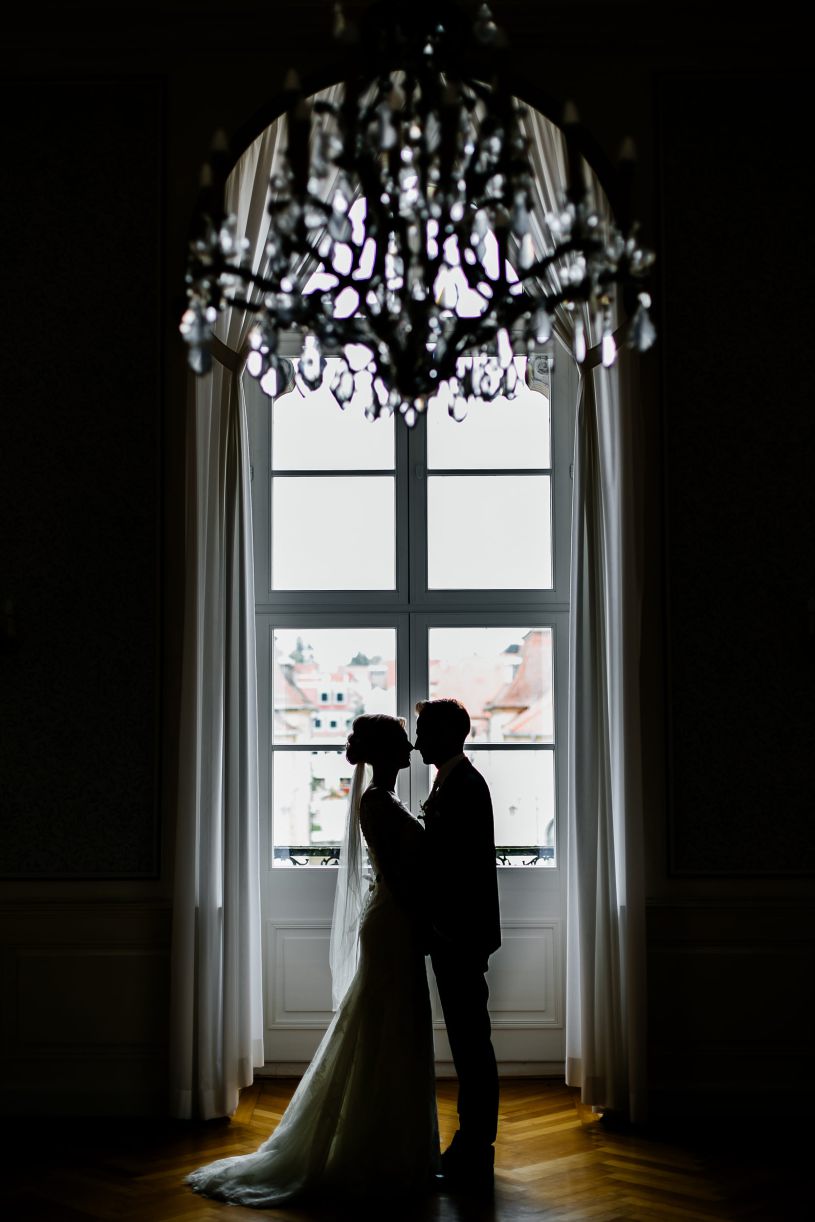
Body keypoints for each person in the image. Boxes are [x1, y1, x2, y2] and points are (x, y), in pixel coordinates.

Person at [186, 714, 439, 1208]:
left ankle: (391, 1144)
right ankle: (373, 1149)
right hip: (394, 923)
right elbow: (398, 875)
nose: (411, 748)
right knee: (387, 1025)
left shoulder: (386, 799)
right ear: (384, 753)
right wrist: (425, 924)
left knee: (393, 1027)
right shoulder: (376, 801)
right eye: (402, 742)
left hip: (396, 920)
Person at [415, 697, 501, 1189]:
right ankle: (472, 1145)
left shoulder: (465, 785)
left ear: (450, 733)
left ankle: (475, 1147)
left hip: (460, 935)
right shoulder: (451, 781)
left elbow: (461, 869)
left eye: (425, 731)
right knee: (468, 1042)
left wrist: (442, 927)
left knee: (471, 1045)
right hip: (455, 933)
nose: (417, 741)